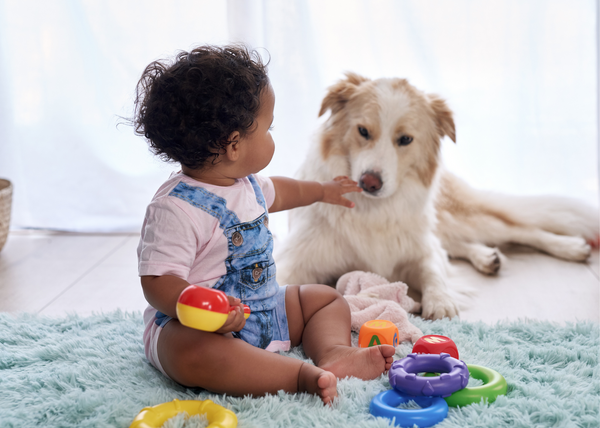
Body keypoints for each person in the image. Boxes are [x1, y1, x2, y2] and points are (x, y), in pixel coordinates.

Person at [132, 44, 395, 405]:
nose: (273, 135)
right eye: (269, 128)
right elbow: (157, 281)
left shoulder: (246, 184)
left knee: (324, 299)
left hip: (263, 307)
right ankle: (297, 376)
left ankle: (333, 352)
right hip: (199, 328)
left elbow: (283, 192)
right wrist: (207, 309)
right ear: (234, 145)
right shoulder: (176, 209)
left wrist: (322, 190)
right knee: (193, 353)